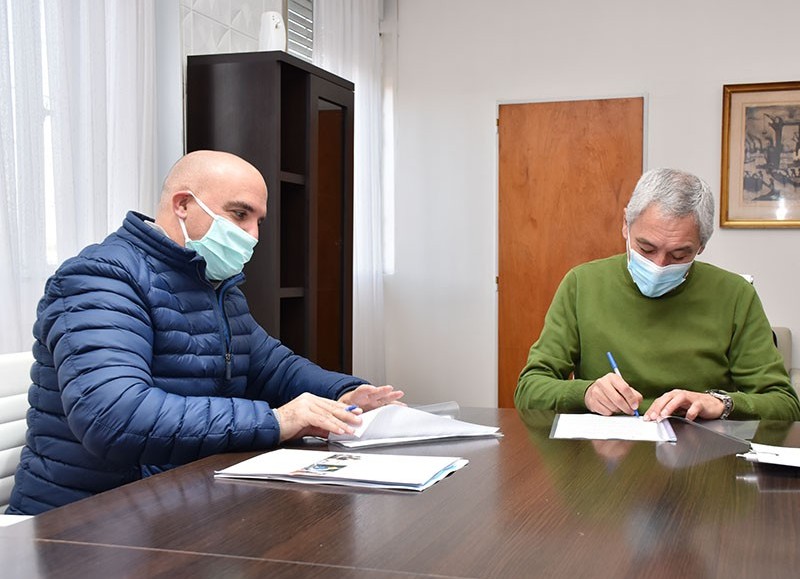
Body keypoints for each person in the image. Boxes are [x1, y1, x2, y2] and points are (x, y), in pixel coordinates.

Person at [7, 150, 403, 515]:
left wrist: (344, 394)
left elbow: (272, 365)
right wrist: (276, 421)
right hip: (83, 521)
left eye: (257, 221)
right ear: (182, 204)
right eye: (239, 214)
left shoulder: (214, 283)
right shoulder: (101, 277)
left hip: (174, 501)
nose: (252, 235)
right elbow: (113, 416)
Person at [515, 167, 800, 422]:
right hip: (605, 459)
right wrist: (585, 393)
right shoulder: (582, 283)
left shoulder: (735, 295)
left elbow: (784, 404)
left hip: (699, 461)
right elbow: (530, 388)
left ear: (701, 246)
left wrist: (720, 403)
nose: (659, 265)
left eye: (679, 254)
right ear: (626, 225)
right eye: (646, 248)